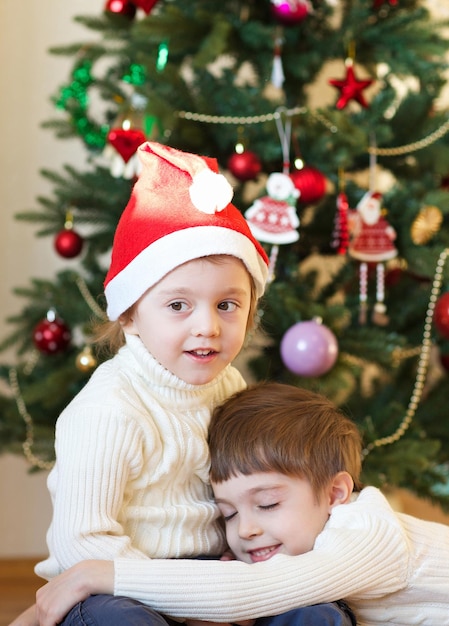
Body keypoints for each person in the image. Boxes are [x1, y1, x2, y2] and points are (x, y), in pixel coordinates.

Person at [12, 143, 352, 626]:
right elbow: (81, 544)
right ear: (130, 313)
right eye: (178, 306)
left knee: (316, 611)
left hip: (215, 575)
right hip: (115, 582)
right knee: (116, 620)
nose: (207, 328)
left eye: (227, 305)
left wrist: (242, 580)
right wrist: (190, 599)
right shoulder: (110, 408)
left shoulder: (230, 387)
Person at [34, 382, 449, 626]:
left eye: (267, 504)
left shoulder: (368, 534)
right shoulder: (300, 538)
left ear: (335, 494)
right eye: (228, 513)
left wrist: (99, 575)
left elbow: (254, 591)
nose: (245, 529)